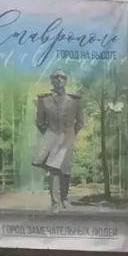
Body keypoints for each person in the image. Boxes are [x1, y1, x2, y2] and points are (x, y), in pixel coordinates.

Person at [32, 70, 84, 211]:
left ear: (66, 80)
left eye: (63, 77)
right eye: (56, 77)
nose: (59, 79)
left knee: (66, 169)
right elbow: (40, 122)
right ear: (51, 80)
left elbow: (80, 122)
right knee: (54, 169)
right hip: (52, 137)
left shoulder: (75, 100)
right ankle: (55, 202)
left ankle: (64, 199)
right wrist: (50, 134)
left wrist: (71, 134)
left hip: (68, 137)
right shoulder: (44, 100)